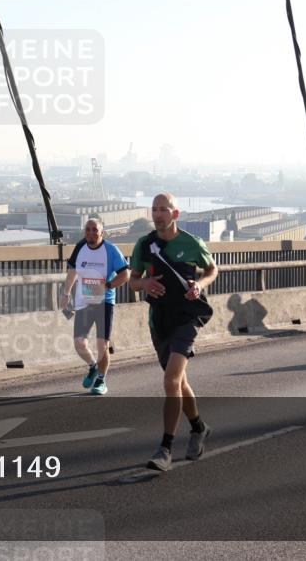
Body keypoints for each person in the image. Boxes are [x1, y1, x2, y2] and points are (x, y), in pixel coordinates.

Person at [129, 193, 219, 471]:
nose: (158, 214)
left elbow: (212, 269)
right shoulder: (144, 245)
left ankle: (165, 448)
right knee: (178, 383)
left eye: (163, 210)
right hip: (160, 320)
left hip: (187, 318)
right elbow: (132, 281)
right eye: (154, 210)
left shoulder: (191, 243)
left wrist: (200, 285)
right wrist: (145, 284)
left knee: (170, 381)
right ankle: (199, 427)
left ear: (175, 214)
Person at [60, 218, 130, 395]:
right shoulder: (80, 248)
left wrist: (107, 286)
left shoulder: (111, 250)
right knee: (79, 344)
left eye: (95, 230)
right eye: (88, 229)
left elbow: (125, 274)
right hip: (83, 301)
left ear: (102, 232)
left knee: (101, 344)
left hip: (104, 302)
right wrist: (66, 294)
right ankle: (93, 367)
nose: (91, 233)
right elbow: (71, 273)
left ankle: (101, 379)